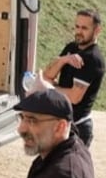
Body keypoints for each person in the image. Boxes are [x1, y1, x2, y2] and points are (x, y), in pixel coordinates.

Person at [40, 8, 104, 146]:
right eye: (77, 26)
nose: (79, 32)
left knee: (69, 167)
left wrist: (50, 87)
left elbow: (74, 97)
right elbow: (47, 75)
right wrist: (64, 59)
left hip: (77, 129)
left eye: (84, 28)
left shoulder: (92, 59)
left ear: (97, 30)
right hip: (61, 123)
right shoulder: (71, 47)